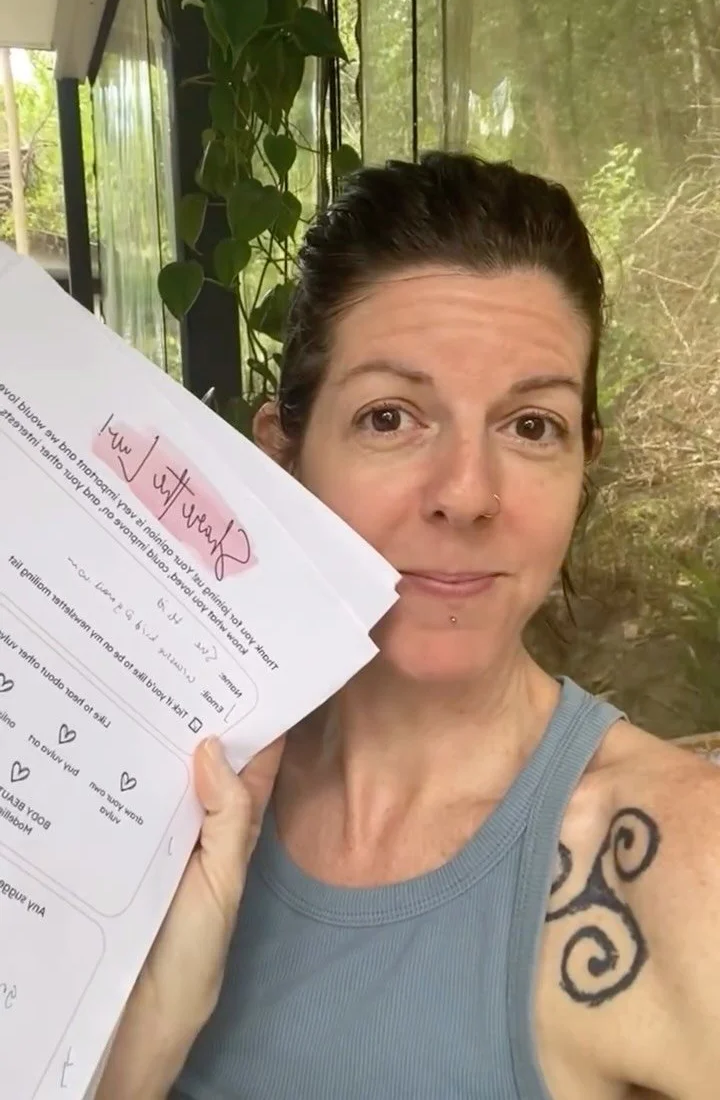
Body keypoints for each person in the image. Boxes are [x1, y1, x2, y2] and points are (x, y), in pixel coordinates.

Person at [96, 153, 720, 1100]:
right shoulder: (151, 791)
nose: (466, 495)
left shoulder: (677, 865)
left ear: (583, 464)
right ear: (283, 457)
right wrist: (142, 1051)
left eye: (532, 426)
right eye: (390, 417)